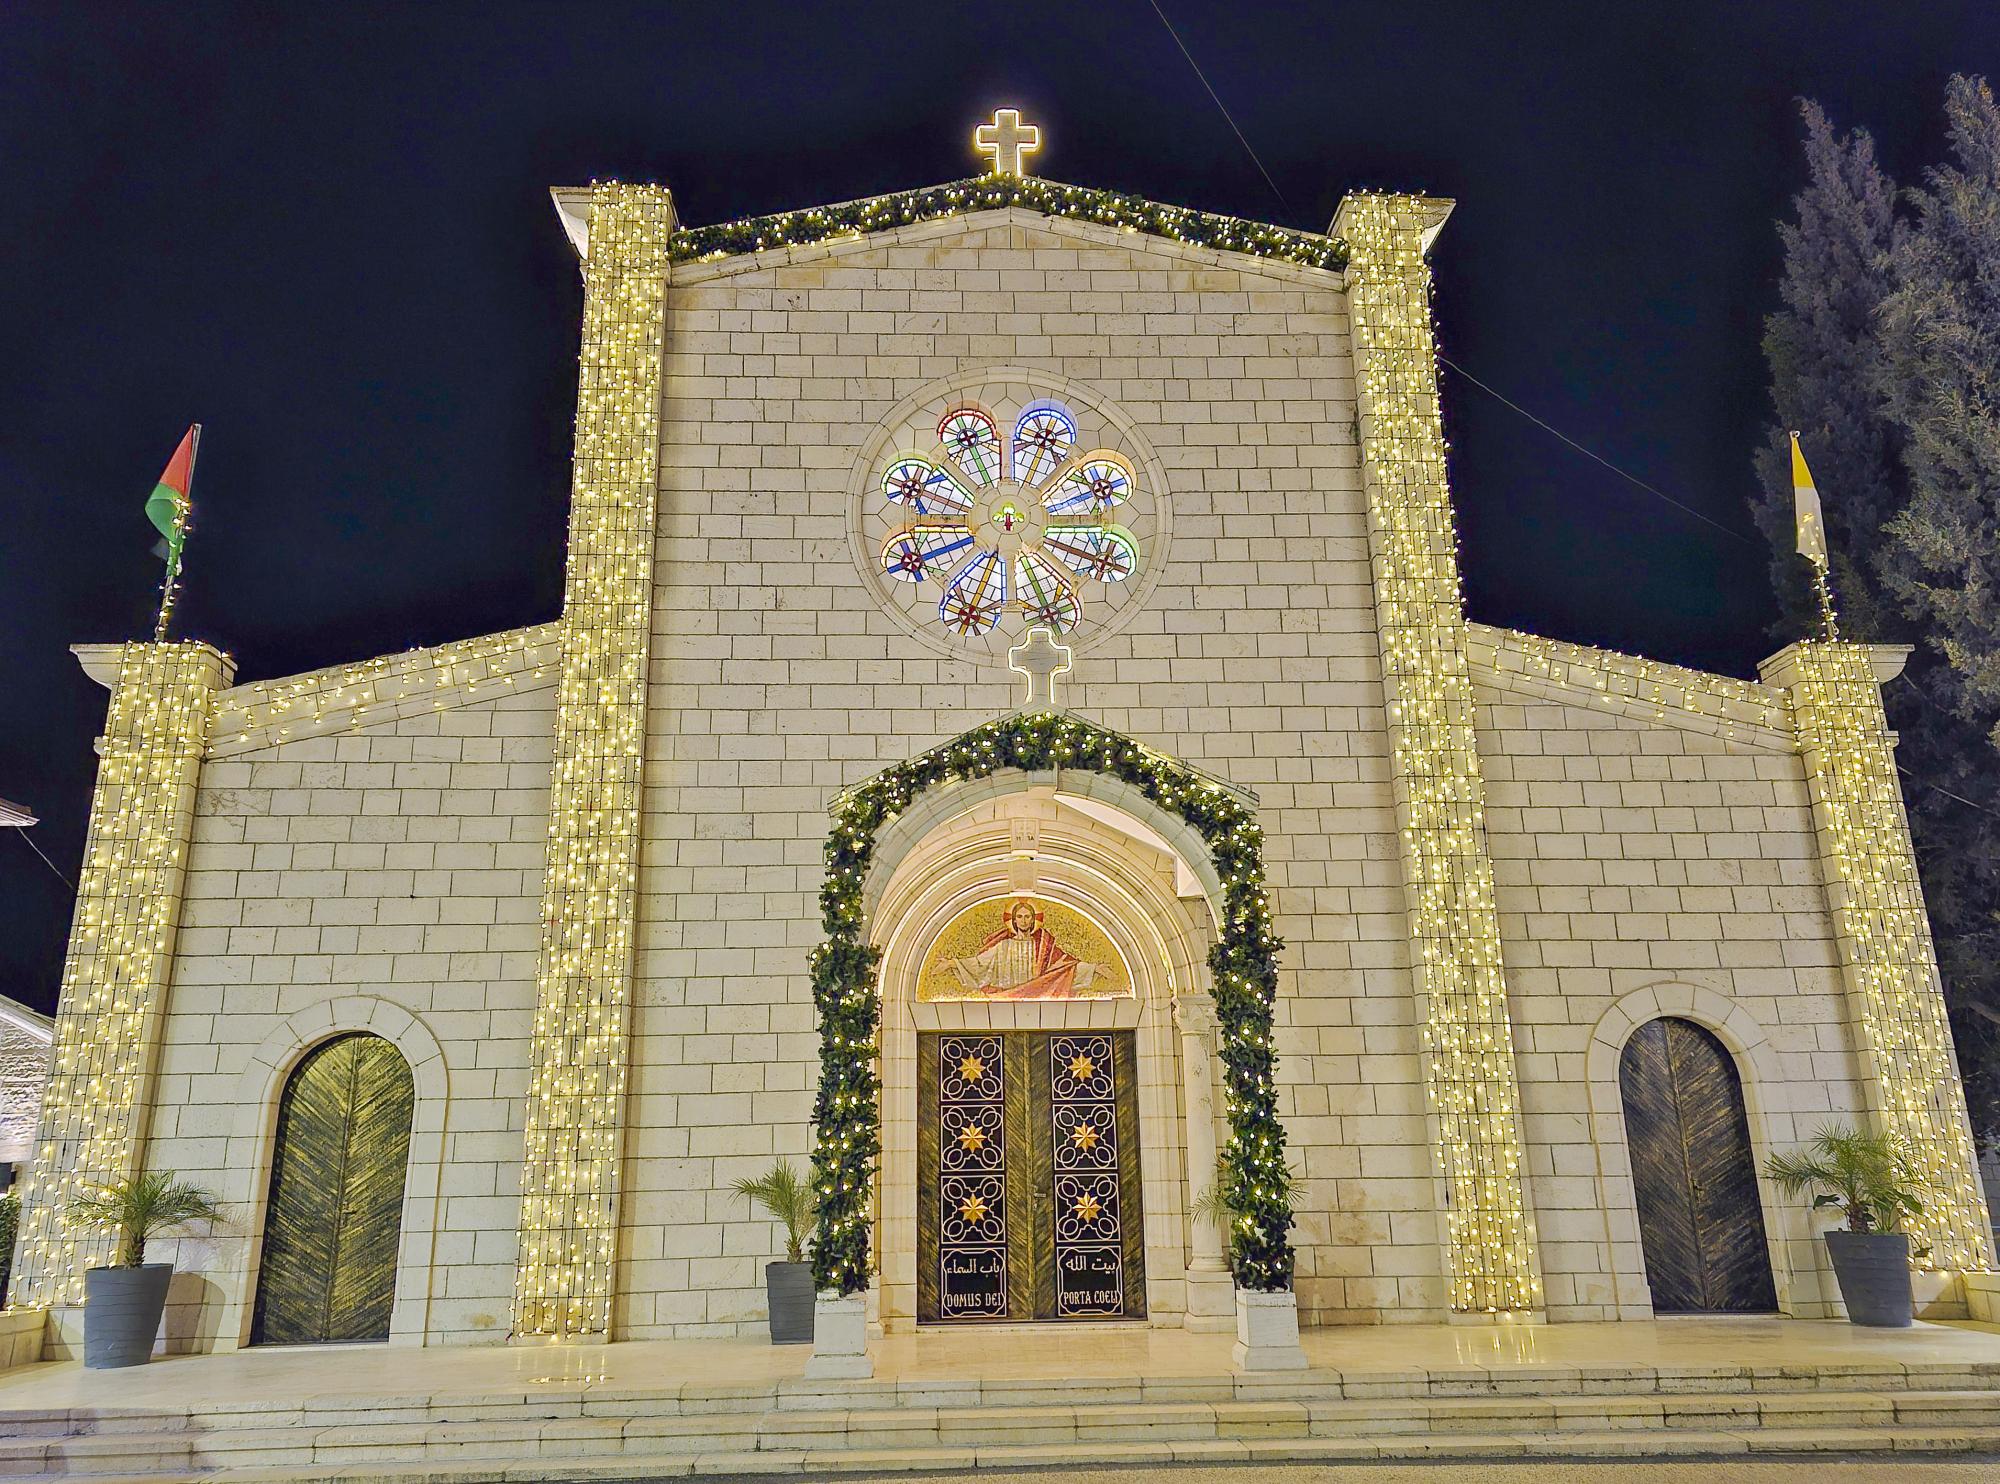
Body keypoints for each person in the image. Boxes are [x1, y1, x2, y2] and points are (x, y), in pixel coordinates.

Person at [950, 899, 1102, 999]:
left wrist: (1094, 968)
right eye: (1020, 917)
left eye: (1027, 917)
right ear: (1014, 920)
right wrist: (952, 964)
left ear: (1033, 920)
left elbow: (1066, 966)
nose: (1024, 921)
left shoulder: (1044, 947)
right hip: (1006, 997)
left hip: (1039, 995)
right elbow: (979, 965)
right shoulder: (1003, 946)